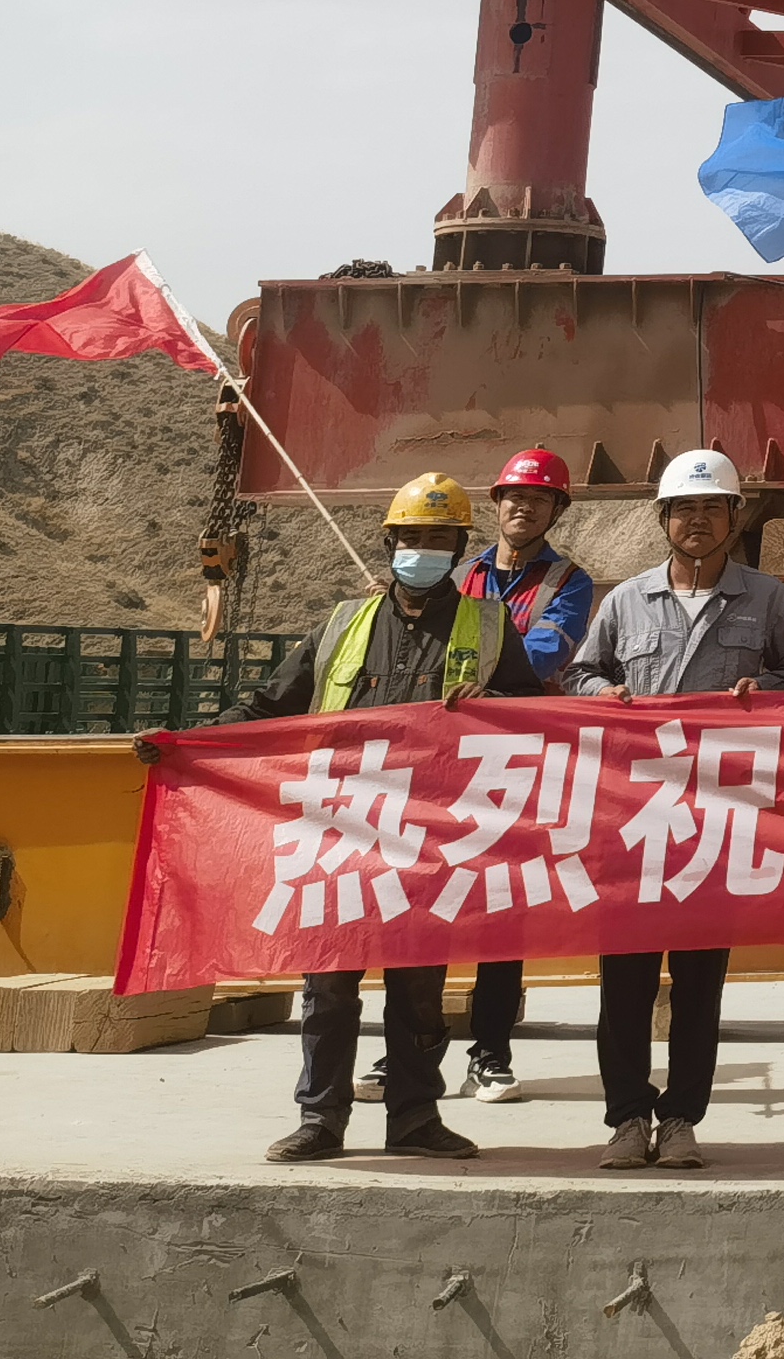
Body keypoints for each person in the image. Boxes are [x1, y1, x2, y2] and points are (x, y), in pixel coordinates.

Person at [231, 472, 551, 1164]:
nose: (422, 549)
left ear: (459, 548)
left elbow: (534, 715)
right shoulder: (343, 624)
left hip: (431, 834)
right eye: (411, 537)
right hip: (342, 826)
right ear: (389, 543)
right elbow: (270, 703)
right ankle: (320, 1120)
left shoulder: (488, 626)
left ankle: (414, 1117)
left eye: (438, 538)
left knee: (418, 987)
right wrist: (189, 743)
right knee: (328, 985)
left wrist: (490, 704)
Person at [564, 447, 784, 1172]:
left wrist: (765, 687)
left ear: (734, 517)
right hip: (635, 817)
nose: (697, 521)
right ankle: (626, 1118)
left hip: (716, 818)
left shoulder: (766, 598)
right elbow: (580, 673)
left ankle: (680, 1119)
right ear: (663, 520)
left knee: (700, 982)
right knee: (626, 981)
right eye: (684, 509)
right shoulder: (626, 600)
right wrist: (603, 693)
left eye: (711, 508)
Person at [448, 445, 599, 1106]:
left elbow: (544, 656)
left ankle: (489, 1054)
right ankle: (408, 1053)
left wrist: (467, 659)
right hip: (447, 755)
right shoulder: (459, 573)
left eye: (539, 499)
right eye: (515, 496)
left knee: (501, 907)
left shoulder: (569, 583)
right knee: (426, 900)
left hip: (517, 758)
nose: (524, 507)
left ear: (555, 510)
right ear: (497, 503)